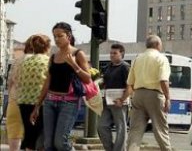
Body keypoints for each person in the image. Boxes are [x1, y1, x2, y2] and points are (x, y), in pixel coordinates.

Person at [32, 22, 91, 151]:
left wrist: (74, 65)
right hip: (49, 103)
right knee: (48, 144)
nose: (57, 39)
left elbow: (88, 78)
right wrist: (37, 106)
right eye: (55, 36)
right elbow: (47, 82)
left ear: (68, 36)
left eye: (60, 36)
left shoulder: (78, 54)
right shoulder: (53, 56)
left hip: (69, 104)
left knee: (61, 143)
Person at [124, 35, 172, 151]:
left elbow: (130, 82)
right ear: (157, 45)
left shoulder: (137, 59)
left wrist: (126, 97)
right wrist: (168, 98)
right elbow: (163, 80)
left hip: (138, 95)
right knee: (160, 129)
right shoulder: (161, 58)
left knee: (135, 130)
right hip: (154, 95)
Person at [98, 43, 131, 151]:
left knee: (121, 128)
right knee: (101, 126)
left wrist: (122, 100)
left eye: (115, 53)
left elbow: (130, 86)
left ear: (121, 54)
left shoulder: (125, 67)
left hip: (119, 102)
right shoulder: (108, 67)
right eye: (111, 53)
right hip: (106, 101)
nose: (112, 55)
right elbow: (104, 82)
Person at [7, 35, 35, 151]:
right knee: (32, 134)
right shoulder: (42, 61)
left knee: (14, 132)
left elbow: (10, 83)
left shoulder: (17, 61)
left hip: (15, 100)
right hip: (33, 102)